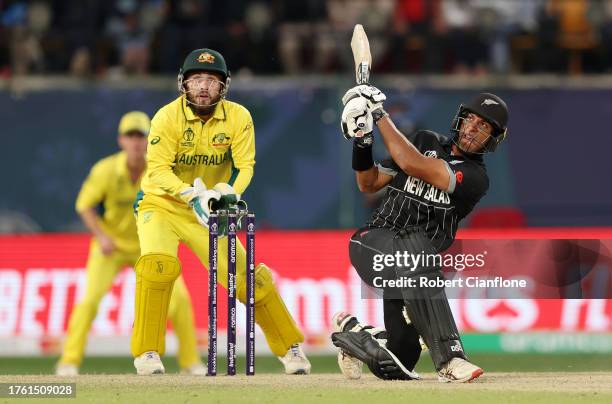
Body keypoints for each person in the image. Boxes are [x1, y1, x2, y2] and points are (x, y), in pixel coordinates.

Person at [131, 48, 310, 375]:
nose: (202, 86)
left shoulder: (239, 117)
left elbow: (245, 167)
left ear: (223, 86)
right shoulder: (166, 117)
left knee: (244, 274)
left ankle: (290, 348)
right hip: (162, 204)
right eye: (196, 79)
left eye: (211, 81)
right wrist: (190, 194)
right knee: (158, 267)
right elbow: (156, 170)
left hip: (210, 207)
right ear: (183, 84)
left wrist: (228, 194)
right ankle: (147, 352)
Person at [331, 85, 508, 382]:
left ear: (492, 139)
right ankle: (450, 358)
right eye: (471, 120)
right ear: (460, 119)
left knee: (398, 363)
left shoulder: (476, 178)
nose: (473, 129)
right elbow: (369, 183)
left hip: (412, 268)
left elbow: (412, 164)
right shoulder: (424, 140)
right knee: (416, 246)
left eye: (483, 126)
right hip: (373, 244)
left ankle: (355, 336)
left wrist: (378, 114)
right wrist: (362, 140)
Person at [56, 111, 206, 376]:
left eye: (142, 136)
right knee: (89, 301)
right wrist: (102, 236)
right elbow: (84, 206)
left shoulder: (160, 170)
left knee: (180, 301)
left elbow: (178, 204)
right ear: (121, 140)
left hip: (149, 245)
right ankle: (69, 361)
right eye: (131, 136)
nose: (137, 142)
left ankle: (190, 362)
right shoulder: (105, 170)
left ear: (150, 140)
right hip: (111, 246)